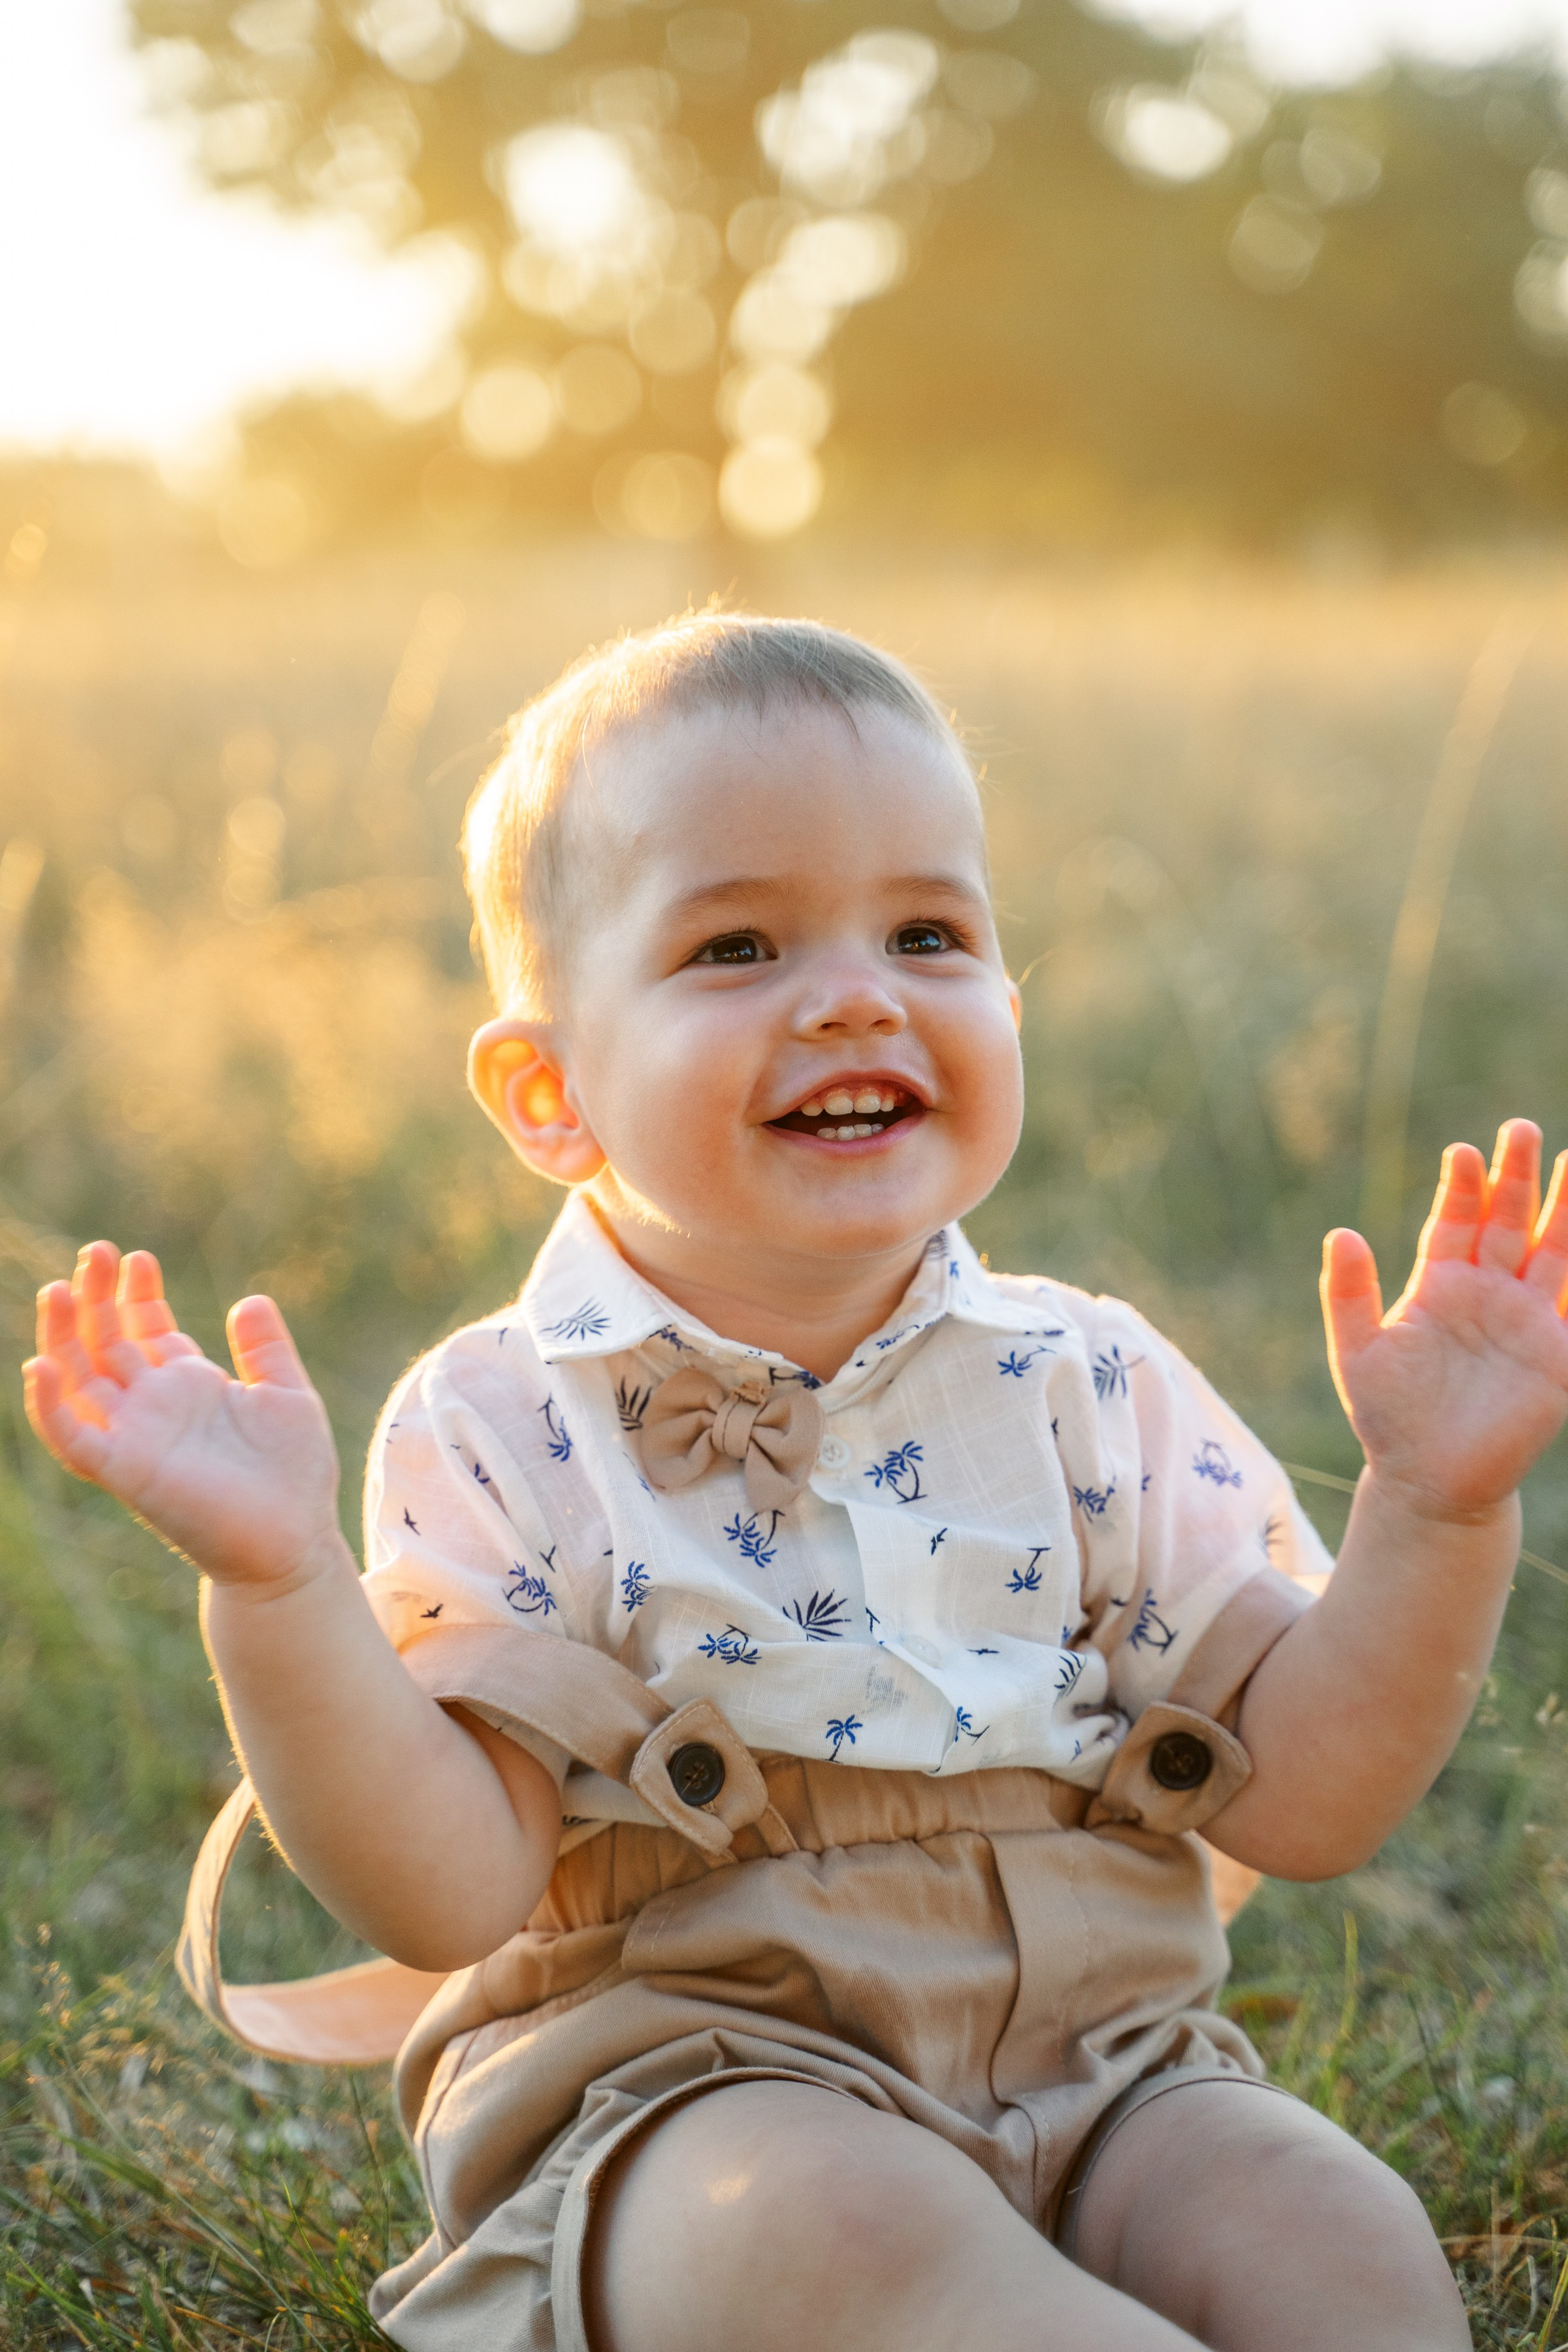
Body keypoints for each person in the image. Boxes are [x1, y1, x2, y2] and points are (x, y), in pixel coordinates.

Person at [24, 612, 1568, 2352]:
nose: (856, 993)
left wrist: (1435, 1510)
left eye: (928, 930)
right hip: (698, 2091)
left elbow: (1307, 1805)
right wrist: (275, 1585)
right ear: (550, 1092)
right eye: (739, 944)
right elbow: (443, 1893)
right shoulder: (504, 1423)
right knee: (852, 2238)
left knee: (1343, 2243)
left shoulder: (1094, 1381)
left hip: (1112, 2067)